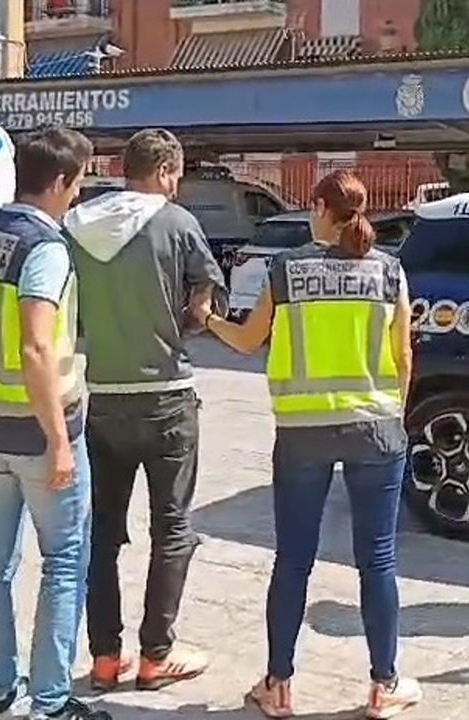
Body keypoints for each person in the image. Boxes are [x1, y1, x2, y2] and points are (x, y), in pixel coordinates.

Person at [201, 170, 423, 719]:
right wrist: (392, 413)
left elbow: (250, 341)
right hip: (375, 428)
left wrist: (207, 319)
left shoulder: (287, 269)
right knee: (378, 562)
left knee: (293, 560)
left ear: (321, 209)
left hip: (302, 432)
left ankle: (278, 686)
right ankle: (383, 686)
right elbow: (403, 358)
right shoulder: (390, 272)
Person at [0, 126, 110, 720]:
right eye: (79, 182)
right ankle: (49, 703)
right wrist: (59, 442)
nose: (78, 193)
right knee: (64, 563)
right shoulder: (44, 248)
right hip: (37, 431)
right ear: (63, 181)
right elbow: (37, 348)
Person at [63, 128, 223, 692]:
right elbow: (203, 301)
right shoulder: (177, 223)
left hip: (102, 396)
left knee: (101, 534)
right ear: (164, 172)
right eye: (175, 177)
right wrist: (186, 316)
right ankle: (156, 655)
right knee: (172, 528)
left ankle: (105, 657)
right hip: (167, 400)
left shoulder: (77, 224)